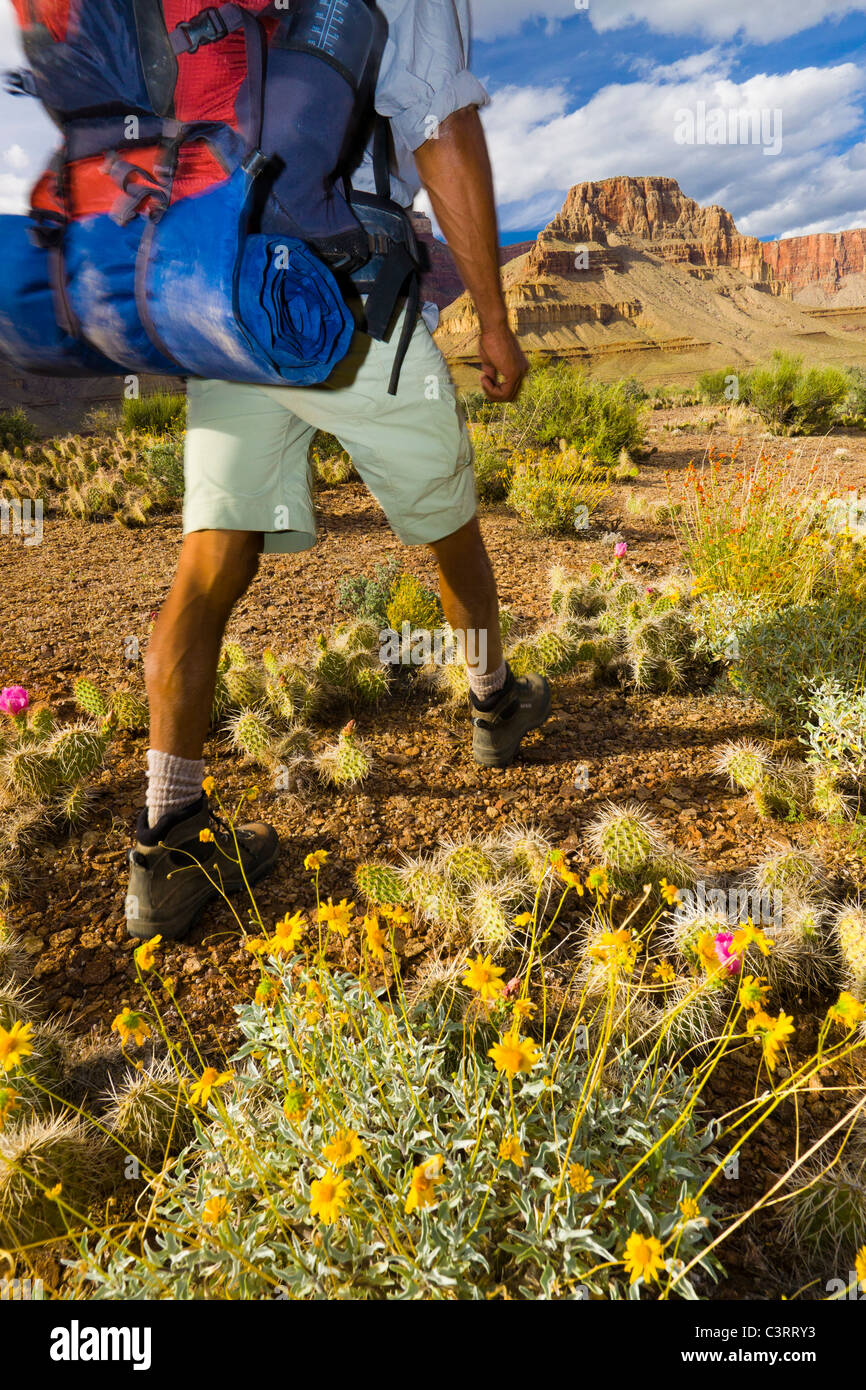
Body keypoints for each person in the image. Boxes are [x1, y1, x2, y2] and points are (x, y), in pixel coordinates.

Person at [125, 0, 552, 942]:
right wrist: (493, 317)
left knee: (208, 559)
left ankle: (168, 834)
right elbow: (440, 128)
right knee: (449, 524)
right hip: (338, 296)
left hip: (221, 294)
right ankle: (493, 705)